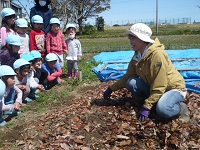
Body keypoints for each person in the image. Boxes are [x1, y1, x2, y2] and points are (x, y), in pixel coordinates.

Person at [103, 23, 190, 123]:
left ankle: (181, 108)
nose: (131, 42)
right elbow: (128, 76)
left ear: (142, 39)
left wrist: (147, 106)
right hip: (155, 87)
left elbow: (160, 84)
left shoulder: (157, 55)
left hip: (172, 88)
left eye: (133, 38)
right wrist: (111, 88)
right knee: (131, 82)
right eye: (130, 38)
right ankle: (152, 101)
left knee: (163, 110)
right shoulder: (137, 56)